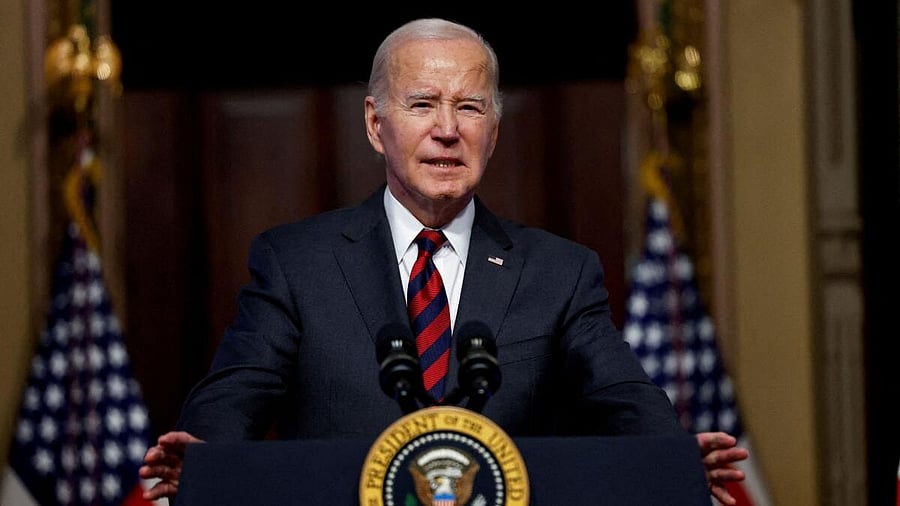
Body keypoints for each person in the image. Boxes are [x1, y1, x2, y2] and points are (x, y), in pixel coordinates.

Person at [141, 17, 748, 504]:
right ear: (377, 125)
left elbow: (624, 398)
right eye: (423, 103)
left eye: (470, 107)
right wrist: (202, 459)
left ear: (494, 131)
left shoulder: (559, 272)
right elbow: (235, 398)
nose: (447, 130)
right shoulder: (297, 263)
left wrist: (674, 461)